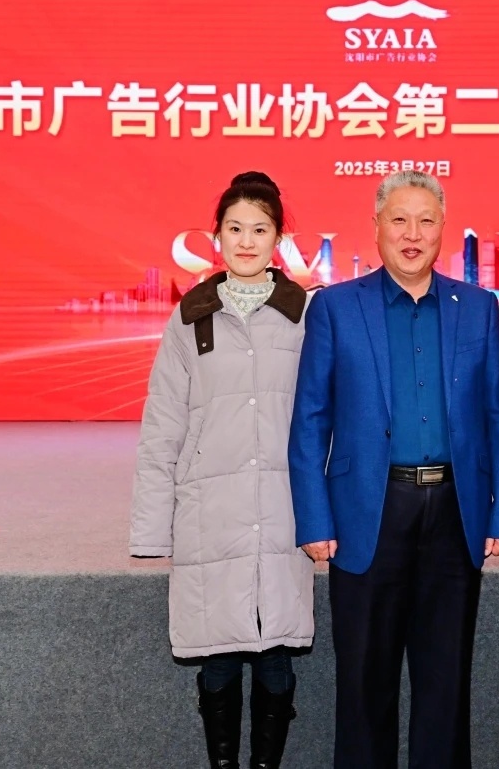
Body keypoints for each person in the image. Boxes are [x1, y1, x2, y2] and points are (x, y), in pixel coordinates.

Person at [288, 170, 499, 769]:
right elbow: (310, 419)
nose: (412, 234)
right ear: (376, 227)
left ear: (443, 229)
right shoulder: (335, 307)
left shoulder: (476, 308)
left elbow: (497, 416)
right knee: (364, 686)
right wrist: (313, 519)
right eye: (399, 220)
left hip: (455, 512)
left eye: (425, 221)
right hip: (367, 511)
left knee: (446, 685)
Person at [130, 171, 314, 769]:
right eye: (235, 228)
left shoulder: (305, 314)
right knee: (218, 657)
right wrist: (152, 529)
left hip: (283, 508)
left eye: (260, 229)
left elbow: (326, 419)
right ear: (217, 237)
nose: (246, 241)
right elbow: (162, 425)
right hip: (209, 512)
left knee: (276, 654)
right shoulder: (190, 317)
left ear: (279, 238)